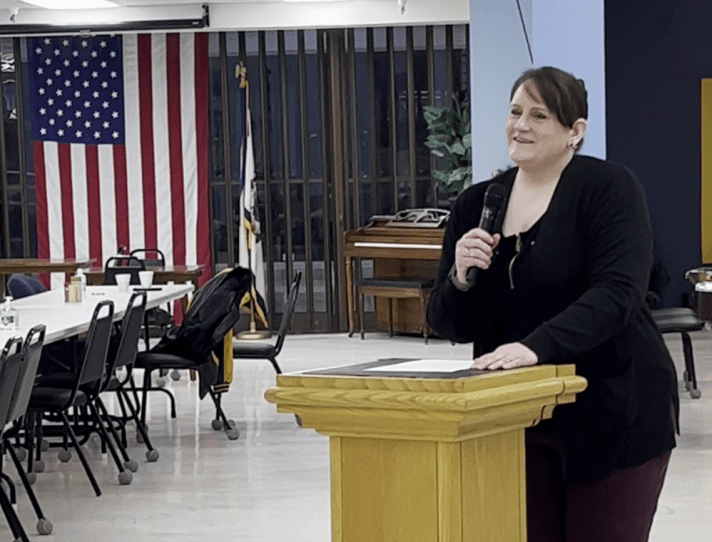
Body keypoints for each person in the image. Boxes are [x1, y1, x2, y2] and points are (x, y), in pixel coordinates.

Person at [426, 66, 678, 542]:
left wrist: (533, 347)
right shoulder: (477, 204)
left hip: (613, 411)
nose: (520, 125)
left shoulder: (608, 189)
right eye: (515, 111)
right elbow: (449, 324)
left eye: (539, 115)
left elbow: (617, 294)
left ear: (574, 132)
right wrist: (460, 277)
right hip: (516, 416)